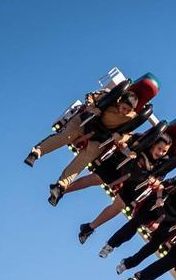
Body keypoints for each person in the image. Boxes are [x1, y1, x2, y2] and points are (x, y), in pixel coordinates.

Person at [25, 74, 158, 206]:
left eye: (128, 110)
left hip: (100, 136)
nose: (124, 112)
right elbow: (90, 96)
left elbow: (128, 132)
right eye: (124, 108)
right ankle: (36, 152)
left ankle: (60, 186)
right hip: (86, 122)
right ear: (120, 101)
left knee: (87, 157)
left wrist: (121, 138)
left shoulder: (131, 116)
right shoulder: (110, 95)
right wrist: (91, 107)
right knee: (67, 136)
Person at [62, 133, 175, 244]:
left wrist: (154, 181)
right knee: (96, 179)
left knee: (119, 205)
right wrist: (126, 149)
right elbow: (124, 139)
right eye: (159, 148)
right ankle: (62, 190)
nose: (160, 153)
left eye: (164, 151)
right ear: (154, 144)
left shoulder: (163, 162)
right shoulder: (142, 139)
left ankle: (89, 228)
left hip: (135, 181)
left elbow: (159, 180)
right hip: (123, 165)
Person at [98, 175, 176, 259]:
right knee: (135, 222)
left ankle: (129, 263)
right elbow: (162, 186)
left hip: (170, 219)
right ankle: (110, 245)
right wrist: (159, 197)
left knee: (155, 244)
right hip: (159, 206)